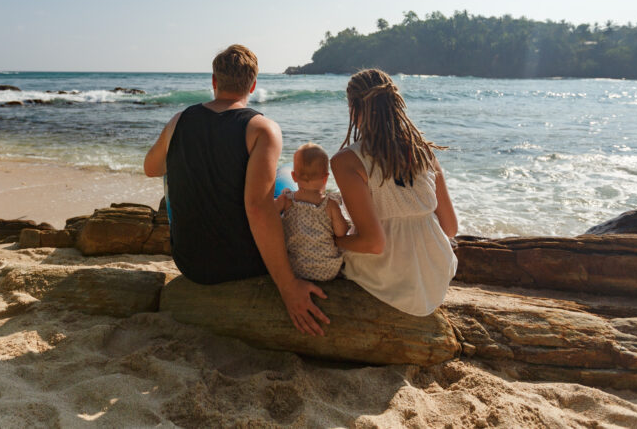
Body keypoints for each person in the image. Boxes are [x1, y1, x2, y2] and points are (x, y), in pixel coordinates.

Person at [143, 44, 330, 335]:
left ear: (214, 82)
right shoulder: (262, 128)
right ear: (253, 85)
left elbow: (151, 168)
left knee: (171, 169)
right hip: (241, 264)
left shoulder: (179, 120)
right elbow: (257, 208)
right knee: (285, 178)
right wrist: (288, 286)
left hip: (190, 262)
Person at [331, 68, 458, 316]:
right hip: (435, 275)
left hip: (388, 277)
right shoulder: (423, 151)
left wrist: (335, 241)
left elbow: (374, 243)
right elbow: (450, 228)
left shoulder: (347, 160)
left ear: (354, 109)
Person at [275, 143, 350, 281]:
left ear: (293, 176)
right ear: (326, 178)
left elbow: (268, 214)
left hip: (296, 269)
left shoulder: (286, 200)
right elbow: (341, 233)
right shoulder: (330, 204)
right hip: (328, 270)